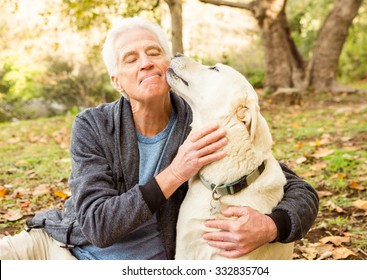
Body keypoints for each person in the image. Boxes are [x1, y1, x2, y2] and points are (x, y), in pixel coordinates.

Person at [0, 17, 319, 260]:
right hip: (60, 250)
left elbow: (296, 187)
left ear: (167, 65)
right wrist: (177, 172)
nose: (146, 62)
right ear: (117, 81)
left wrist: (272, 226)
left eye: (154, 52)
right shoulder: (93, 126)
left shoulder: (203, 120)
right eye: (131, 58)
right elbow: (98, 226)